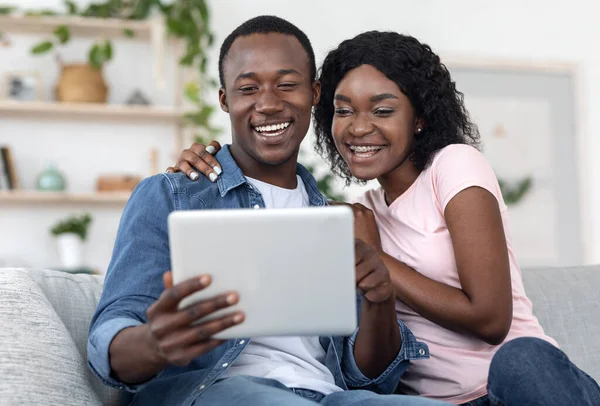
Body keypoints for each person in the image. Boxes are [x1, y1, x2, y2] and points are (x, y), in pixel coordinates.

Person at [170, 31, 600, 406]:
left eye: (382, 110)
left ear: (419, 118)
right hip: (433, 402)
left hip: (523, 384)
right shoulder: (353, 215)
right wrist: (212, 163)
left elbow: (491, 320)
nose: (358, 128)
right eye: (343, 110)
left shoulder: (453, 167)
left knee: (519, 358)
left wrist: (378, 260)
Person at [88, 16, 449, 406]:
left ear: (314, 93)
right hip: (215, 391)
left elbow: (371, 380)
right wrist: (153, 344)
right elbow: (111, 332)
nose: (269, 103)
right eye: (247, 88)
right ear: (225, 99)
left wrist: (380, 300)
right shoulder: (171, 195)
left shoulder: (333, 220)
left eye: (288, 85)